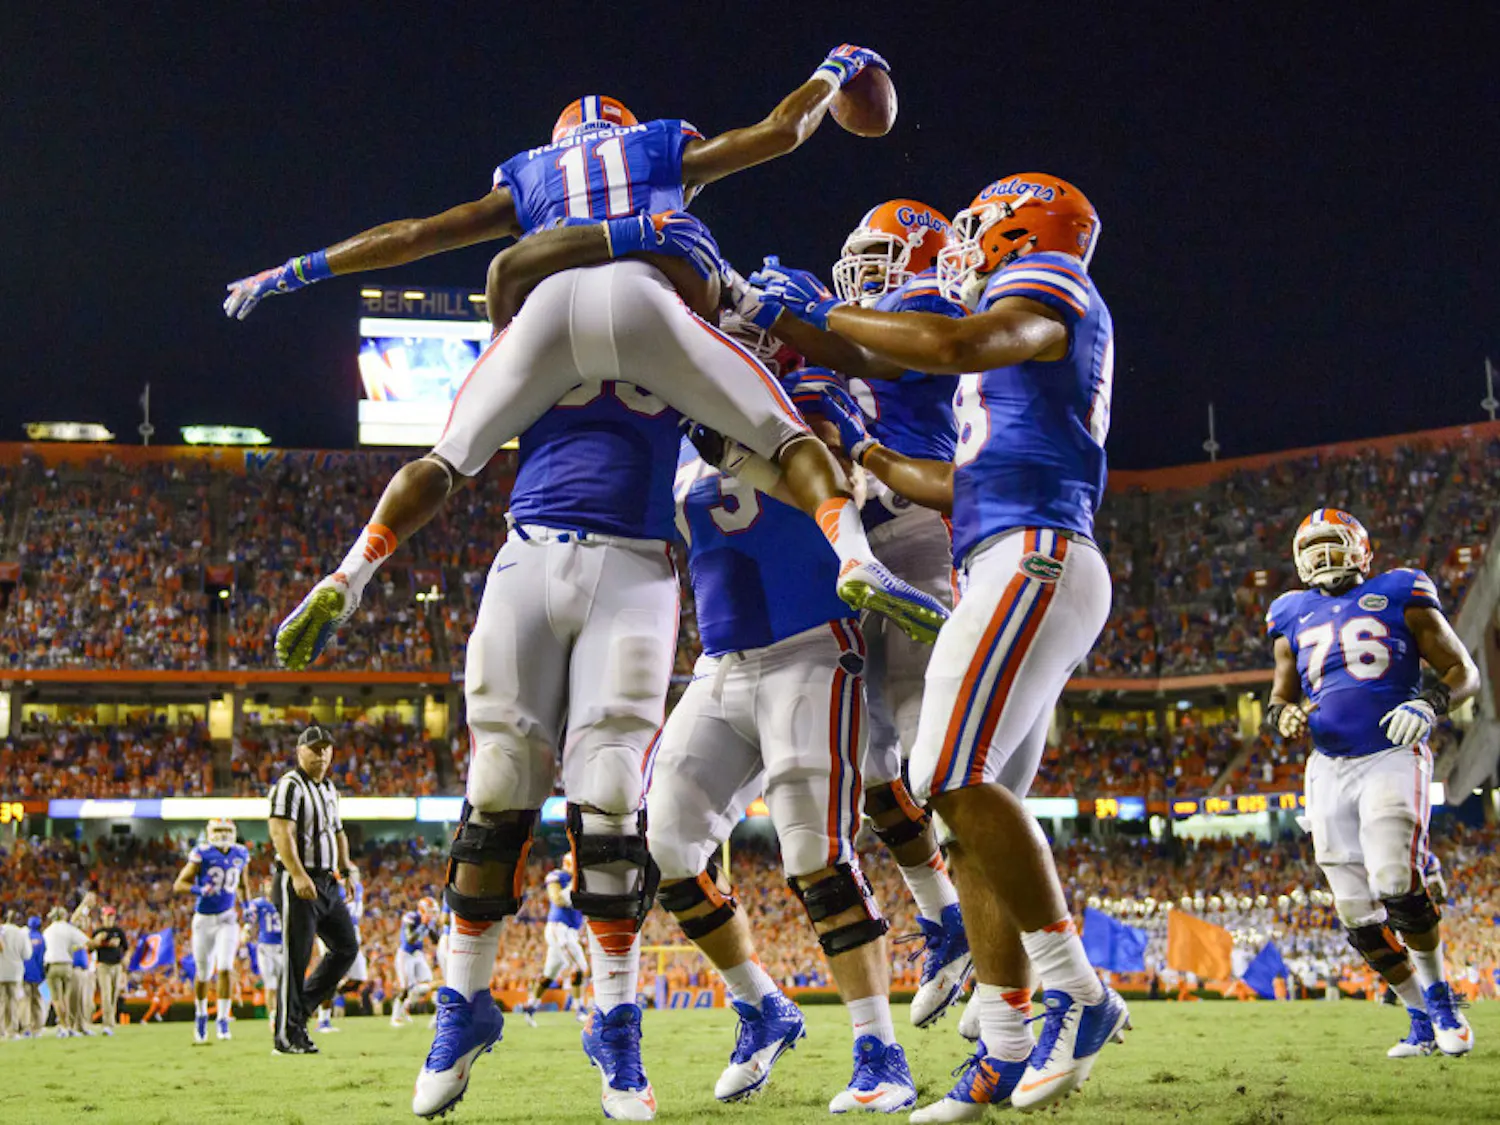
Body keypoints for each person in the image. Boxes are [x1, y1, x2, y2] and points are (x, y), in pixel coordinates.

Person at [225, 47, 948, 677]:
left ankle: (351, 574)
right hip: (645, 302)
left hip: (544, 314)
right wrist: (834, 68)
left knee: (446, 457)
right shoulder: (657, 149)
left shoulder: (530, 174)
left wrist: (292, 271)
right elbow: (780, 132)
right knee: (785, 436)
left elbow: (417, 235)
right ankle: (857, 558)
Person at [761, 172, 1128, 1117]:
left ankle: (1076, 989)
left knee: (943, 774)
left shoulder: (1051, 281)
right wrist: (877, 462)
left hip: (1035, 557)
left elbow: (953, 339)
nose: (961, 245)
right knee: (970, 814)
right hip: (1004, 547)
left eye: (974, 229)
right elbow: (964, 484)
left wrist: (833, 314)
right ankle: (1003, 1042)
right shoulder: (1005, 363)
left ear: (1018, 230)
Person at [406, 220, 726, 1120]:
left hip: (636, 561)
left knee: (613, 790)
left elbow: (709, 304)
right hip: (532, 547)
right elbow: (505, 270)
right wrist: (621, 217)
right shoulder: (537, 312)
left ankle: (616, 1029)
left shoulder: (677, 316)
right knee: (499, 778)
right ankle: (463, 1006)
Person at [647, 387, 918, 1113]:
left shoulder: (800, 407)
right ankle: (762, 1006)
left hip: (813, 647)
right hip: (721, 662)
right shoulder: (678, 436)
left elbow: (846, 481)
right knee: (667, 842)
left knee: (816, 856)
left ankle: (879, 1050)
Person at [741, 199, 974, 1027]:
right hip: (852, 540)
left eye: (877, 254)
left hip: (912, 529)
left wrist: (800, 314)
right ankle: (948, 916)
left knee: (926, 742)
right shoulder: (854, 335)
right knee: (873, 759)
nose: (859, 270)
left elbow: (863, 350)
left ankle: (998, 928)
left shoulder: (929, 311)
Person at [1265, 509, 1481, 1057]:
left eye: (1331, 545)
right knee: (1355, 911)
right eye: (1310, 548)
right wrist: (1282, 716)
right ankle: (1418, 1019)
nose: (1320, 557)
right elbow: (1281, 696)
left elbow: (1464, 672)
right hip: (1327, 765)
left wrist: (1430, 704)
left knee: (1393, 877)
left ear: (1361, 549)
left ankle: (1440, 996)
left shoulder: (1400, 590)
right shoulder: (1290, 611)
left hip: (1391, 751)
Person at [267, 726, 361, 1055]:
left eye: (325, 749)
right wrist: (297, 874)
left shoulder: (329, 788)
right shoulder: (289, 786)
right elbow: (280, 832)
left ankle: (297, 1015)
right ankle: (285, 1036)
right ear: (299, 752)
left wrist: (347, 867)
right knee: (297, 957)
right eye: (314, 749)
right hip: (298, 881)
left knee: (347, 948)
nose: (320, 755)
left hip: (327, 881)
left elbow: (338, 831)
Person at [173, 816, 250, 1044]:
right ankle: (201, 1014)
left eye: (227, 830)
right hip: (204, 919)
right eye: (219, 830)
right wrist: (199, 889)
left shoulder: (240, 853)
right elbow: (180, 884)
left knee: (225, 967)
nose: (223, 834)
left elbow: (243, 884)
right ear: (210, 832)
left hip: (227, 917)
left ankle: (223, 1018)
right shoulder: (202, 852)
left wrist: (247, 907)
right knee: (204, 972)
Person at [520, 859, 588, 1026]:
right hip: (560, 928)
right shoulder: (559, 877)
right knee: (579, 968)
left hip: (570, 930)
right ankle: (579, 1009)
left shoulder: (582, 882)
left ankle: (530, 1006)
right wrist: (574, 887)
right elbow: (557, 899)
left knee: (548, 975)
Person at [315, 875, 368, 1033]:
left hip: (352, 933)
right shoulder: (333, 887)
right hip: (334, 933)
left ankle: (320, 995)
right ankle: (323, 1020)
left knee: (358, 978)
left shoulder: (358, 888)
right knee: (331, 976)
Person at [392, 898, 440, 1027]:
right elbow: (410, 939)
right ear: (423, 910)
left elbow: (436, 941)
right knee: (405, 987)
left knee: (428, 983)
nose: (432, 914)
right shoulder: (411, 917)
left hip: (418, 954)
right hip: (405, 954)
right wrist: (423, 925)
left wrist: (431, 927)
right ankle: (395, 1017)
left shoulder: (428, 922)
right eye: (430, 911)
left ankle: (406, 1007)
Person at [42, 906, 89, 1038]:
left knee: (57, 999)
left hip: (52, 965)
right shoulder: (68, 929)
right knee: (66, 998)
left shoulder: (48, 931)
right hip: (67, 964)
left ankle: (63, 1026)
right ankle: (69, 1026)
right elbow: (85, 941)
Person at [242, 882, 284, 1027]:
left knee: (283, 985)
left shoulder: (284, 901)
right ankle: (272, 1017)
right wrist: (247, 929)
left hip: (282, 947)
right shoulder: (259, 904)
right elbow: (250, 917)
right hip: (265, 947)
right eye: (267, 886)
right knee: (270, 985)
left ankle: (282, 1015)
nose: (271, 888)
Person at [91, 905, 129, 1036]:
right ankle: (107, 1023)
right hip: (103, 965)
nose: (109, 919)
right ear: (102, 917)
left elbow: (126, 947)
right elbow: (91, 948)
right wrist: (98, 941)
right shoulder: (98, 931)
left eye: (111, 916)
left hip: (116, 965)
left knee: (113, 994)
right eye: (107, 916)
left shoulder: (118, 931)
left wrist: (126, 959)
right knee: (106, 994)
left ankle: (110, 1022)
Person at [0, 909, 30, 1039]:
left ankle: (1, 1030)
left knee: (1, 1001)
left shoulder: (1, 930)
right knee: (12, 1001)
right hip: (14, 972)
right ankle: (11, 1030)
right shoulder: (21, 933)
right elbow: (27, 954)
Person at [23, 915, 46, 1036]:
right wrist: (43, 974)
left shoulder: (24, 937)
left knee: (25, 1001)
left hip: (25, 974)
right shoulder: (41, 938)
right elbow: (42, 957)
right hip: (38, 974)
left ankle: (26, 1027)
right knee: (37, 1001)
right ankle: (37, 1027)